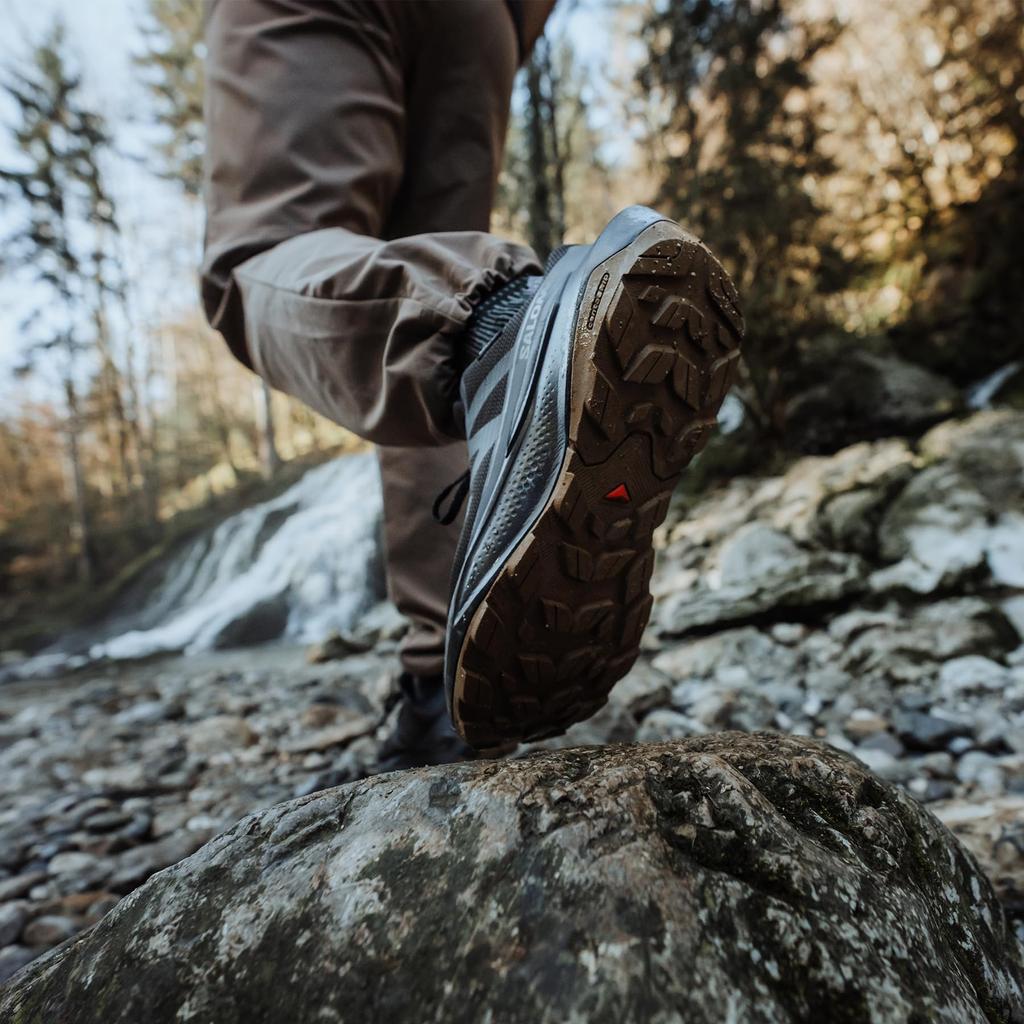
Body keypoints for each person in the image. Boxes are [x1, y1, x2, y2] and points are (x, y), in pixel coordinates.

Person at [200, 0, 743, 770]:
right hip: (482, 21)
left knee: (262, 257)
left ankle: (502, 331)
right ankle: (442, 685)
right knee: (442, 347)